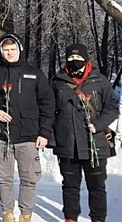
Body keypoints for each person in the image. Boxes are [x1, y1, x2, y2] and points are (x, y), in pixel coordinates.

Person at [0, 33, 55, 222]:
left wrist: (44, 133)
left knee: (29, 178)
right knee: (4, 178)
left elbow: (48, 104)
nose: (9, 53)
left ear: (19, 49)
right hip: (1, 135)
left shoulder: (34, 74)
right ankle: (7, 213)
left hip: (28, 135)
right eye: (6, 50)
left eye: (12, 49)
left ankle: (26, 214)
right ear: (1, 51)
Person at [50, 43, 118, 222]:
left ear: (86, 59)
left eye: (78, 58)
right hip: (68, 143)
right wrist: (51, 137)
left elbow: (112, 107)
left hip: (95, 143)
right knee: (70, 186)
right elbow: (49, 110)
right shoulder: (58, 81)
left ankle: (98, 219)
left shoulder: (100, 80)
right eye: (70, 58)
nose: (74, 61)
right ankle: (70, 218)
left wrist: (99, 124)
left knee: (96, 186)